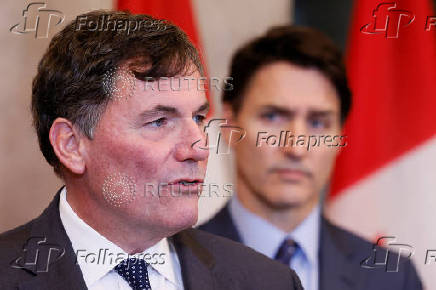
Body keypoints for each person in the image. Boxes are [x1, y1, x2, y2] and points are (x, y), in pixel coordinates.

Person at [0, 11, 303, 290]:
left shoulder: (268, 281)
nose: (197, 148)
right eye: (159, 122)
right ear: (71, 145)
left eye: (198, 118)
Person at [199, 25, 422, 290]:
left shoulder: (392, 278)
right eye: (273, 117)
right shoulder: (172, 265)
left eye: (318, 123)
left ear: (340, 136)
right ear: (229, 125)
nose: (296, 147)